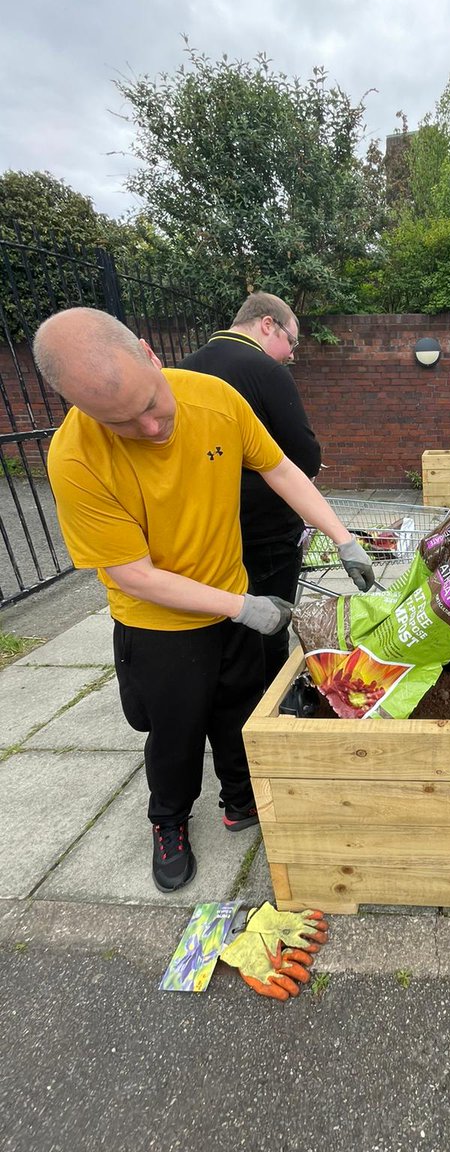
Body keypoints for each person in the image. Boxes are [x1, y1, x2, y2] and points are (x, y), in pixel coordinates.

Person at [33, 307, 375, 893]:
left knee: (240, 707)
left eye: (150, 404)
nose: (150, 428)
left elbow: (282, 470)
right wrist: (239, 607)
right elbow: (134, 575)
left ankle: (241, 802)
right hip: (159, 623)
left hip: (232, 590)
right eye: (122, 422)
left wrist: (342, 538)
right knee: (175, 727)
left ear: (148, 353)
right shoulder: (76, 458)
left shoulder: (215, 399)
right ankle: (168, 820)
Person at [180, 292, 321, 686]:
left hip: (208, 526)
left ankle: (226, 692)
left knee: (223, 613)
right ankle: (270, 702)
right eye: (292, 341)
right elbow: (304, 457)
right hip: (267, 529)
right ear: (267, 324)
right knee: (271, 618)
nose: (291, 354)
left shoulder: (186, 368)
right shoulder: (267, 371)